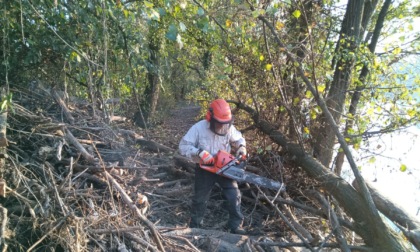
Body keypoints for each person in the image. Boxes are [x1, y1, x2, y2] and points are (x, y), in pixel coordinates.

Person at [179, 98, 247, 234]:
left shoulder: (229, 128)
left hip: (225, 167)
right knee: (200, 198)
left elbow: (239, 138)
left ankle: (235, 225)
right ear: (210, 117)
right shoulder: (199, 128)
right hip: (205, 168)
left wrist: (241, 147)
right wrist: (199, 152)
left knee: (234, 194)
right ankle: (196, 225)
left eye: (225, 123)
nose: (222, 127)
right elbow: (183, 146)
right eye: (219, 123)